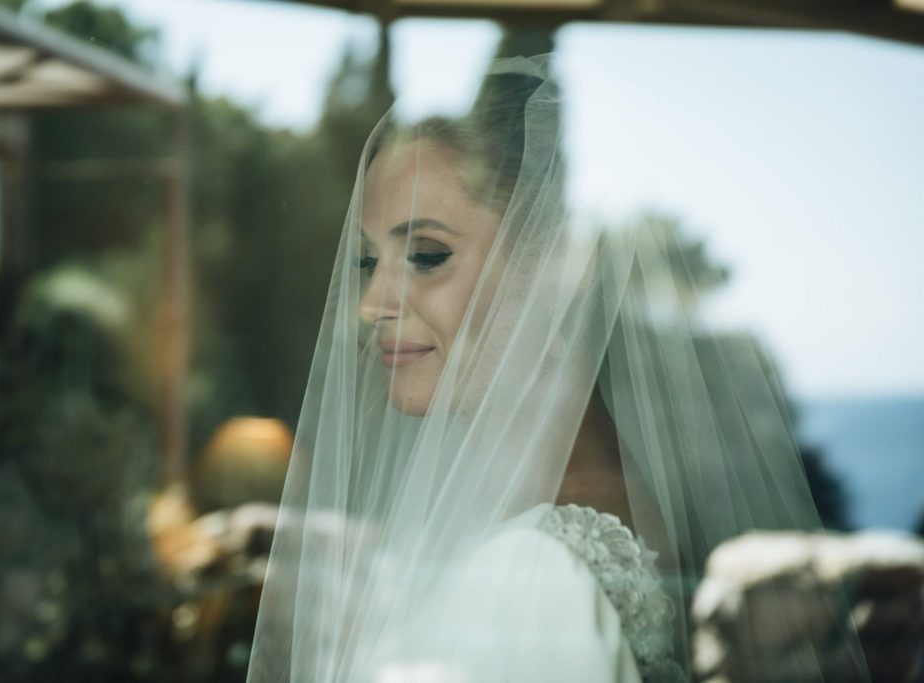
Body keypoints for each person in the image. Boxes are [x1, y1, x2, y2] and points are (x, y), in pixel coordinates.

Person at [246, 54, 867, 683]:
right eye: (368, 260)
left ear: (549, 274)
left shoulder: (536, 574)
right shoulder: (565, 514)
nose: (371, 304)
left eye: (427, 254)